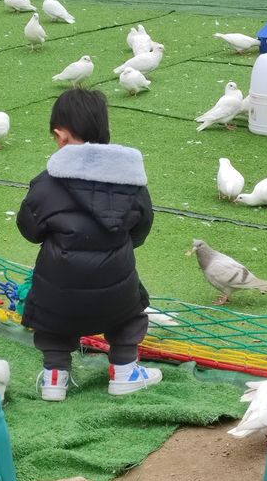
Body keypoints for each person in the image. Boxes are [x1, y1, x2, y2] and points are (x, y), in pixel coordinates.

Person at [16, 88, 163, 401]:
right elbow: (142, 227)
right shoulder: (131, 179)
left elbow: (29, 230)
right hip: (116, 295)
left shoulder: (46, 182)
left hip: (58, 295)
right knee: (130, 309)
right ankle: (124, 371)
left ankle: (55, 377)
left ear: (62, 135)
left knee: (51, 313)